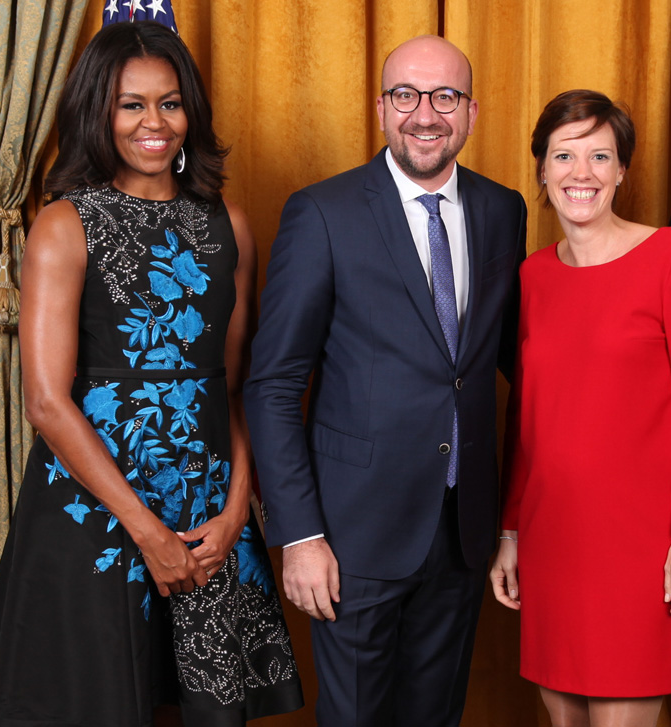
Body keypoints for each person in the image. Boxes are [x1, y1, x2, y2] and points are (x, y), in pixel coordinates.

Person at [0, 22, 303, 726]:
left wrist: (239, 507)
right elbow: (45, 401)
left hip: (209, 515)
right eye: (131, 104)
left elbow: (236, 384)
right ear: (98, 111)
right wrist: (147, 531)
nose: (156, 122)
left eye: (170, 102)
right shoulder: (63, 224)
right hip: (98, 510)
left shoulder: (230, 226)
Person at [243, 35, 527, 726]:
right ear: (380, 108)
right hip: (352, 536)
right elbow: (274, 382)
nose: (424, 114)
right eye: (405, 95)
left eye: (444, 97)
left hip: (462, 530)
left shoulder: (502, 210)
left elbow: (516, 361)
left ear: (471, 111)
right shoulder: (324, 213)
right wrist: (300, 534)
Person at [489, 89, 671, 727]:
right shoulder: (533, 276)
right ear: (541, 169)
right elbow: (526, 420)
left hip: (644, 548)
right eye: (565, 156)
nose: (582, 173)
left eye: (600, 156)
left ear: (623, 169)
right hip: (551, 539)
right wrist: (510, 531)